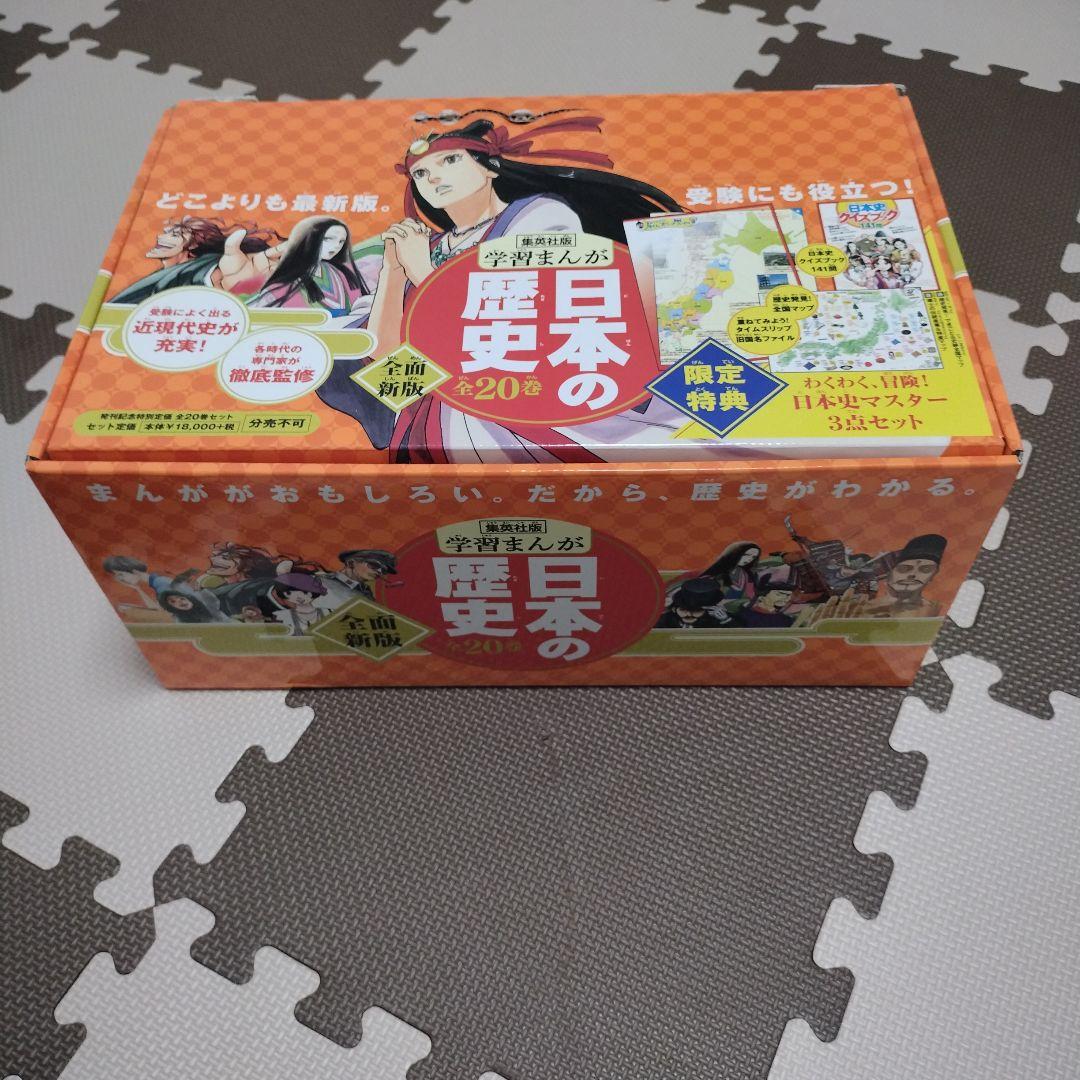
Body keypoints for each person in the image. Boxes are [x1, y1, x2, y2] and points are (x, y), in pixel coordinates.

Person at [310, 115, 720, 462]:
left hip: (529, 385)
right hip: (449, 398)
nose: (433, 176)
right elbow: (384, 354)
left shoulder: (539, 216)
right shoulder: (428, 244)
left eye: (450, 160)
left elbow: (531, 317)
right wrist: (393, 271)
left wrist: (420, 268)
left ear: (489, 167)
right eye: (420, 172)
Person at [110, 216, 286, 303]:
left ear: (193, 245)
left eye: (175, 235)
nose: (160, 237)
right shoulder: (166, 273)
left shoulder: (204, 267)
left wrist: (223, 282)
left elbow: (207, 276)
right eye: (166, 233)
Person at [251, 216, 372, 318]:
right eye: (328, 239)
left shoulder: (343, 272)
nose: (336, 246)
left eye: (341, 241)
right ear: (307, 238)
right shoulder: (280, 286)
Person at [316, 549, 398, 609]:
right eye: (374, 565)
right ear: (351, 563)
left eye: (383, 570)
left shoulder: (367, 593)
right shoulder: (319, 581)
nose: (379, 572)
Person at [102, 554, 173, 616]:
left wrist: (133, 610)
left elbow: (163, 614)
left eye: (121, 574)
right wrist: (137, 589)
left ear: (134, 571)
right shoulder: (155, 581)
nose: (121, 579)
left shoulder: (161, 583)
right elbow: (156, 609)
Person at [655, 578, 731, 629]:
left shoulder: (716, 621)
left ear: (707, 611)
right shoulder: (663, 621)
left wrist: (726, 620)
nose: (688, 614)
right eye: (683, 609)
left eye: (696, 610)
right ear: (674, 609)